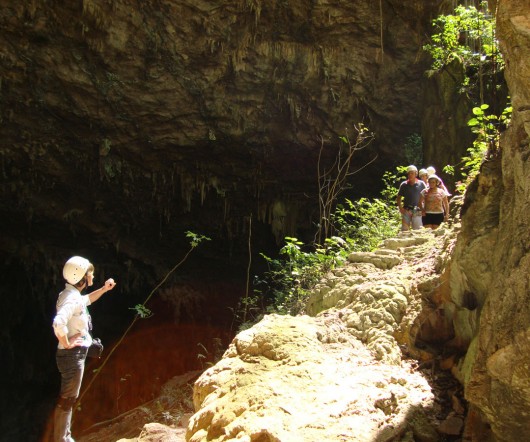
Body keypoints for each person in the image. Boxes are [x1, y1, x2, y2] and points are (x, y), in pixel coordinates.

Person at [52, 256, 116, 442]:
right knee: (67, 400)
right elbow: (58, 323)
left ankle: (65, 437)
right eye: (90, 273)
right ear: (81, 277)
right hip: (71, 356)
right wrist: (66, 343)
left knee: (69, 399)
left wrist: (104, 289)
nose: (93, 275)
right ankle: (62, 439)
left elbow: (85, 300)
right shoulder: (70, 300)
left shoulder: (70, 295)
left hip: (73, 355)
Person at [397, 165, 426, 231]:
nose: (410, 175)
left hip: (417, 210)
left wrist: (424, 208)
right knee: (405, 229)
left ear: (416, 174)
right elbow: (399, 197)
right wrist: (400, 208)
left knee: (417, 229)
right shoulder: (404, 185)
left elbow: (426, 196)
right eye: (409, 173)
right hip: (406, 209)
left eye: (412, 173)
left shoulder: (421, 184)